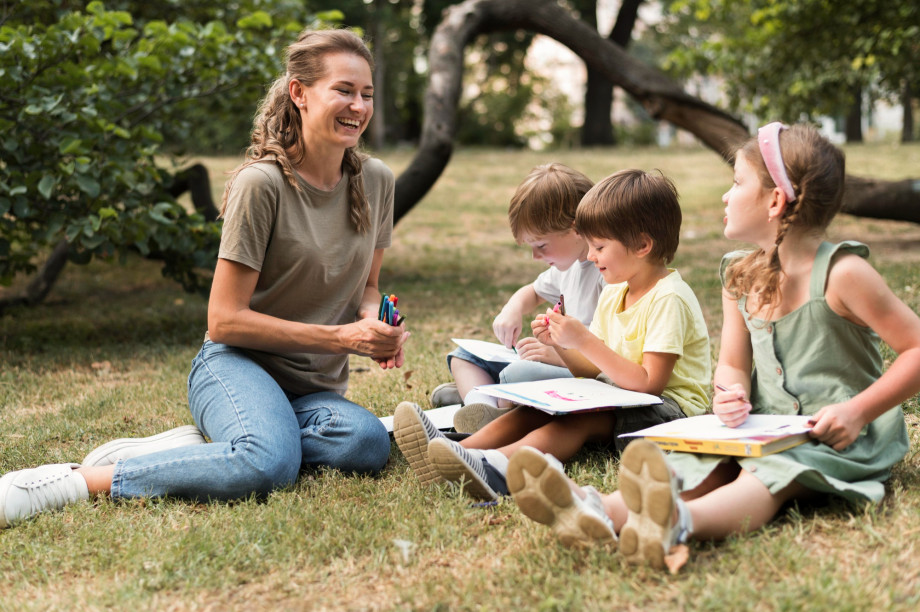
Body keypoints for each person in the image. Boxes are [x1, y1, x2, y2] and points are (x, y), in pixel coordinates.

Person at [0, 28, 409, 529]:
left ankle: (222, 442)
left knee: (366, 444)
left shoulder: (377, 181)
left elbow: (368, 288)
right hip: (236, 367)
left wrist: (376, 327)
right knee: (268, 466)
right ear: (299, 93)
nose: (358, 106)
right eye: (343, 90)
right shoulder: (262, 185)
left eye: (366, 94)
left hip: (313, 389)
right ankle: (76, 481)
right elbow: (224, 321)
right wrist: (339, 337)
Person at [506, 122, 920, 572]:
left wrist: (857, 411)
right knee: (705, 460)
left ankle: (678, 521)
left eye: (737, 182)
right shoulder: (739, 276)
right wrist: (730, 391)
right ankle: (599, 509)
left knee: (766, 480)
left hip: (837, 435)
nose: (726, 195)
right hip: (765, 426)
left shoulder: (844, 274)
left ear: (775, 201)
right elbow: (732, 365)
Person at [394, 169, 711, 500]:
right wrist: (564, 345)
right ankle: (450, 452)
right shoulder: (617, 293)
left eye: (600, 246)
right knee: (535, 410)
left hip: (669, 415)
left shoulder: (668, 297)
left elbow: (649, 385)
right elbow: (591, 371)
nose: (590, 256)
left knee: (575, 421)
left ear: (643, 245)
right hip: (621, 398)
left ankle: (495, 468)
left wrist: (585, 341)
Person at [432, 163, 605, 434]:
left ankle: (489, 406)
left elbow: (612, 351)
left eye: (541, 246)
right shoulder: (568, 265)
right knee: (463, 356)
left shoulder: (607, 272)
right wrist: (512, 309)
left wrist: (558, 356)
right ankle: (479, 407)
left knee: (516, 375)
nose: (536, 257)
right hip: (553, 363)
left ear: (576, 229)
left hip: (584, 372)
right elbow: (533, 292)